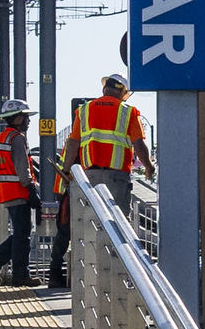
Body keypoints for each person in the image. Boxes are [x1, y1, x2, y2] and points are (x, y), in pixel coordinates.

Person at [49, 73, 147, 285]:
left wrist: (66, 172)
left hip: (88, 178)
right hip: (116, 177)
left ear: (105, 89)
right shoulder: (128, 112)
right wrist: (148, 166)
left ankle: (90, 279)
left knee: (90, 227)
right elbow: (139, 144)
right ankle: (117, 279)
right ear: (123, 92)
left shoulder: (84, 111)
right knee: (118, 225)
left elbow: (73, 144)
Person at [0, 101, 37, 284]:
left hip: (7, 192)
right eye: (26, 117)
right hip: (19, 191)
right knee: (23, 236)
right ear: (17, 118)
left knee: (20, 233)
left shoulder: (2, 138)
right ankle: (19, 275)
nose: (28, 121)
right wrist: (31, 189)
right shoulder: (18, 138)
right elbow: (23, 168)